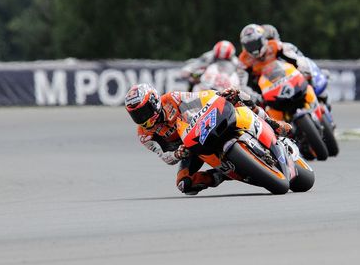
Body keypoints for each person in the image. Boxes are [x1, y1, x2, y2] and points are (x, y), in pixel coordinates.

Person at [124, 83, 291, 195]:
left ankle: (272, 123)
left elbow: (201, 97)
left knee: (236, 95)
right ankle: (222, 174)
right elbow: (165, 156)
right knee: (184, 184)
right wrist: (177, 154)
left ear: (154, 102)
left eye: (143, 111)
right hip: (190, 149)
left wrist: (220, 95)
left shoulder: (172, 99)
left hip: (204, 124)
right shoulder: (145, 134)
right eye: (136, 115)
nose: (141, 118)